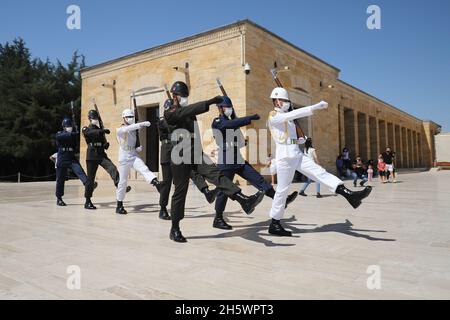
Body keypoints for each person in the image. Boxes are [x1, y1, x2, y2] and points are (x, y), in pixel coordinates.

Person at [164, 81, 265, 243]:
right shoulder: (170, 112)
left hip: (195, 153)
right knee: (180, 192)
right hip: (180, 155)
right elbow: (181, 113)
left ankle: (243, 200)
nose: (185, 99)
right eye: (182, 96)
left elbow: (193, 130)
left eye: (186, 96)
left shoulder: (187, 112)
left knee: (217, 174)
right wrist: (210, 102)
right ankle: (175, 228)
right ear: (175, 96)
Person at [266, 87, 372, 236]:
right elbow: (293, 116)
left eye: (286, 100)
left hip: (297, 153)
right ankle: (274, 223)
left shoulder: (289, 119)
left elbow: (292, 133)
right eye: (283, 100)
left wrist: (300, 139)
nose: (285, 103)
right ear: (275, 101)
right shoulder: (274, 115)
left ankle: (349, 195)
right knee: (282, 190)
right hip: (284, 157)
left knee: (319, 172)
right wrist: (314, 107)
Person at [211, 96, 298, 230]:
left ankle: (281, 200)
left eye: (230, 107)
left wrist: (242, 140)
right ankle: (218, 218)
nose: (229, 109)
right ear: (220, 109)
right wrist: (247, 118)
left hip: (238, 159)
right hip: (226, 160)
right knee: (224, 190)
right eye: (227, 107)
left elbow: (238, 141)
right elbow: (226, 125)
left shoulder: (232, 121)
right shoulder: (217, 121)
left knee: (259, 180)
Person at [157, 110, 219, 221]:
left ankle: (206, 192)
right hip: (168, 154)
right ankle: (163, 208)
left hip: (180, 153)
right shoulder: (163, 121)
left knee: (192, 172)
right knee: (167, 183)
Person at [115, 109, 163, 215]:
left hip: (133, 155)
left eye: (132, 117)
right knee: (122, 182)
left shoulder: (134, 130)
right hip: (123, 158)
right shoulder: (120, 129)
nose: (131, 119)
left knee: (143, 168)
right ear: (124, 118)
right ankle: (119, 205)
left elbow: (133, 140)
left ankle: (156, 183)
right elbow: (127, 129)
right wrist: (140, 124)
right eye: (129, 117)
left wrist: (137, 148)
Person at [82, 109, 130, 211]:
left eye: (96, 118)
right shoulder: (86, 128)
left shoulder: (100, 129)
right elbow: (90, 133)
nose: (95, 120)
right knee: (91, 179)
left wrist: (105, 145)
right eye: (93, 118)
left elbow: (102, 142)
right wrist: (101, 131)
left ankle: (120, 186)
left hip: (101, 154)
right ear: (90, 119)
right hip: (91, 156)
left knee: (112, 167)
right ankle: (87, 201)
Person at [55, 118, 93, 206]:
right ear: (64, 127)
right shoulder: (60, 133)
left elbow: (75, 145)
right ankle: (59, 198)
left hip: (71, 157)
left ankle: (88, 183)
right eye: (68, 126)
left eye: (71, 126)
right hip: (62, 157)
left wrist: (75, 133)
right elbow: (60, 137)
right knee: (60, 179)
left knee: (80, 171)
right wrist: (73, 133)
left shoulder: (73, 135)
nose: (70, 127)